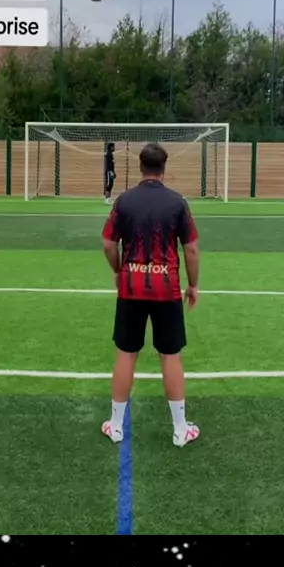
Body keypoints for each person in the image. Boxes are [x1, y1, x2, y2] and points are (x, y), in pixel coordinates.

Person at [101, 142, 200, 448]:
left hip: (130, 287)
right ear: (163, 169)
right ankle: (180, 429)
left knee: (126, 353)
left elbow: (108, 244)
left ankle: (115, 425)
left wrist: (118, 270)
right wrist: (193, 285)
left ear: (141, 167)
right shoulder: (177, 202)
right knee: (170, 355)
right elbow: (191, 249)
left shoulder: (124, 200)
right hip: (166, 290)